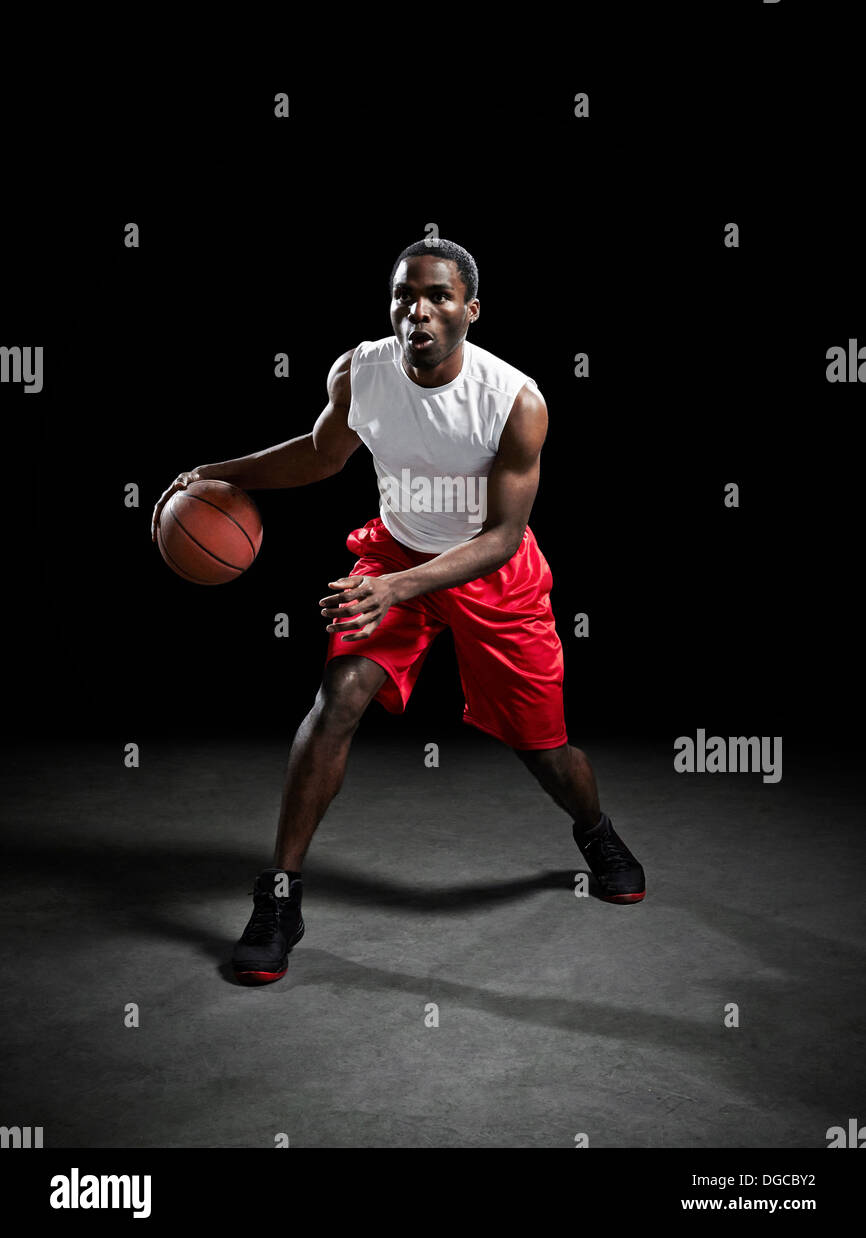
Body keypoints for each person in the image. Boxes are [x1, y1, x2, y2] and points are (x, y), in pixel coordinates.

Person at [152, 239, 645, 985]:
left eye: (438, 296)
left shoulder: (516, 402)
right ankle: (281, 897)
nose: (417, 308)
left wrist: (399, 589)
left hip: (493, 577)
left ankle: (594, 830)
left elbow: (503, 537)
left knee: (544, 750)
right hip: (396, 555)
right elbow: (321, 454)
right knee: (339, 696)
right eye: (403, 294)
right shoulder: (361, 372)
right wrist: (215, 473)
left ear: (470, 311)